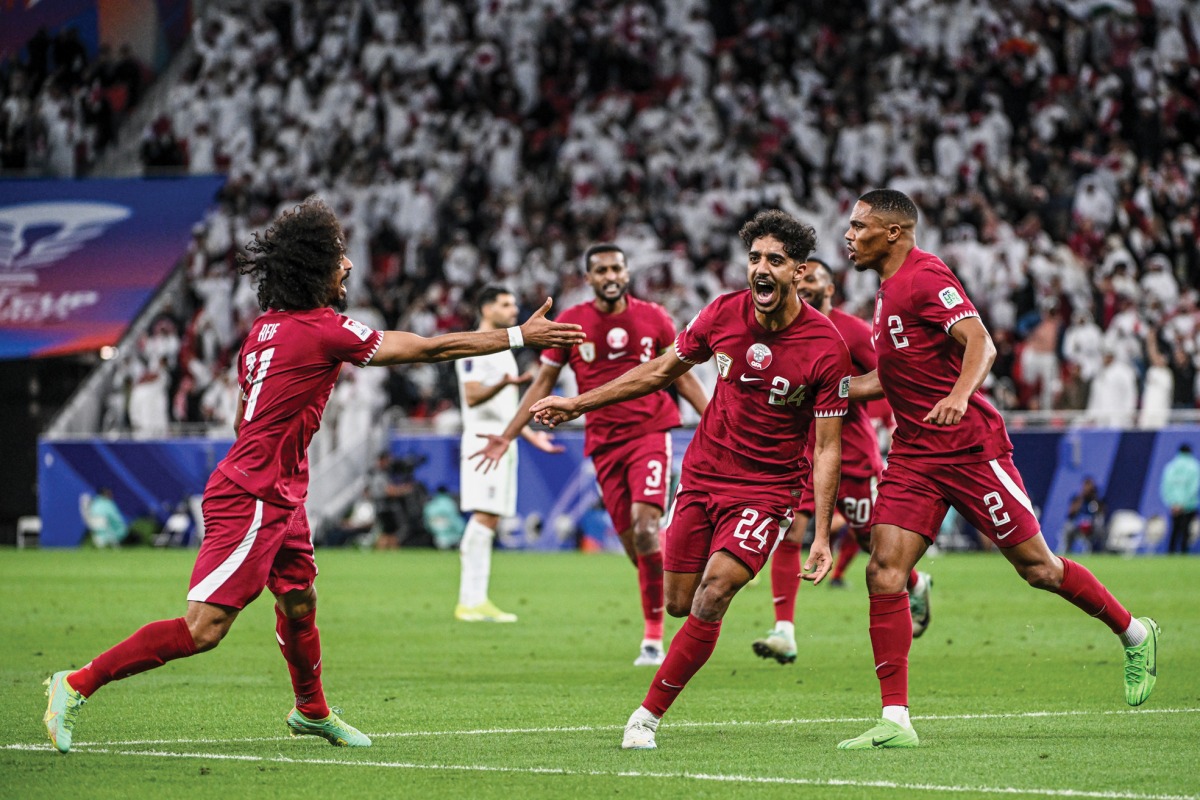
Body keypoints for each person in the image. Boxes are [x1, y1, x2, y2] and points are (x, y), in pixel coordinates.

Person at [42, 197, 584, 754]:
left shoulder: (263, 330)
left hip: (278, 490)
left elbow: (241, 416)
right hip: (253, 495)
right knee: (203, 629)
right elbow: (428, 347)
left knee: (299, 599)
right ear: (314, 269)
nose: (348, 266)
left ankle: (312, 711)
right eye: (339, 257)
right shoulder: (322, 329)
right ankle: (77, 684)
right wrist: (518, 336)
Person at [838, 189, 1159, 751]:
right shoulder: (886, 291)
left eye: (859, 224)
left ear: (892, 232)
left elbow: (980, 344)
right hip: (916, 454)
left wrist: (962, 395)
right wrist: (827, 392)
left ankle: (1134, 633)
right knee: (883, 571)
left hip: (970, 449)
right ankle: (895, 719)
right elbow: (894, 378)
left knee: (1038, 569)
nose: (848, 234)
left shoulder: (925, 275)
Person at [528, 210, 850, 750]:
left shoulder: (826, 345)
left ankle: (646, 717)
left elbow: (827, 446)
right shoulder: (722, 313)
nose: (761, 269)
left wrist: (819, 533)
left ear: (799, 271)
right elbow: (658, 372)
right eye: (755, 259)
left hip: (767, 491)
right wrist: (576, 403)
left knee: (713, 593)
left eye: (775, 260)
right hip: (703, 478)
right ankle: (681, 623)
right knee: (680, 602)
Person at [474, 244, 708, 665]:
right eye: (601, 269)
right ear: (589, 278)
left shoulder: (654, 317)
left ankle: (653, 638)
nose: (610, 275)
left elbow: (682, 375)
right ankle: (679, 577)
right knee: (637, 549)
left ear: (627, 271)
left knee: (644, 527)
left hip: (651, 433)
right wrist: (510, 434)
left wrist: (715, 420)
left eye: (617, 267)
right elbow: (543, 383)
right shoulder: (573, 322)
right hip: (603, 443)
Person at [751, 259, 931, 667]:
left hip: (851, 455)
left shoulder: (850, 330)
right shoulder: (783, 331)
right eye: (802, 277)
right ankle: (784, 630)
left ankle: (917, 584)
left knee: (872, 541)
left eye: (813, 277)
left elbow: (890, 375)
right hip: (801, 453)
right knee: (791, 530)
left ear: (831, 288)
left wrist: (839, 392)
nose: (806, 284)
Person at [454, 286, 563, 622]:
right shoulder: (476, 345)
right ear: (486, 308)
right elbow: (472, 396)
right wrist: (504, 384)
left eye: (515, 303)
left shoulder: (503, 345)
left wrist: (532, 439)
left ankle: (477, 599)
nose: (513, 309)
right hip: (484, 440)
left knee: (491, 517)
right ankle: (469, 601)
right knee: (484, 515)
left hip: (503, 439)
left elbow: (507, 411)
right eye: (505, 304)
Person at [1160, 443, 1200, 554]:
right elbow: (1194, 487)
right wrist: (1184, 503)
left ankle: (1170, 553)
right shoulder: (1195, 466)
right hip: (1189, 505)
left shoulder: (1170, 467)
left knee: (1174, 530)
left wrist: (1173, 503)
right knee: (1185, 530)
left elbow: (1165, 487)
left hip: (1174, 506)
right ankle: (1184, 553)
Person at [1059, 476, 1107, 555]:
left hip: (1092, 527)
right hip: (1077, 526)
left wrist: (1095, 499)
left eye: (1090, 486)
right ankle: (1065, 551)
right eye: (1086, 485)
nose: (1088, 488)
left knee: (1101, 530)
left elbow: (1101, 514)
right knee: (1068, 527)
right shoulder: (1077, 498)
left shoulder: (1097, 500)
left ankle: (1097, 553)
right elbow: (1070, 514)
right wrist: (1081, 499)